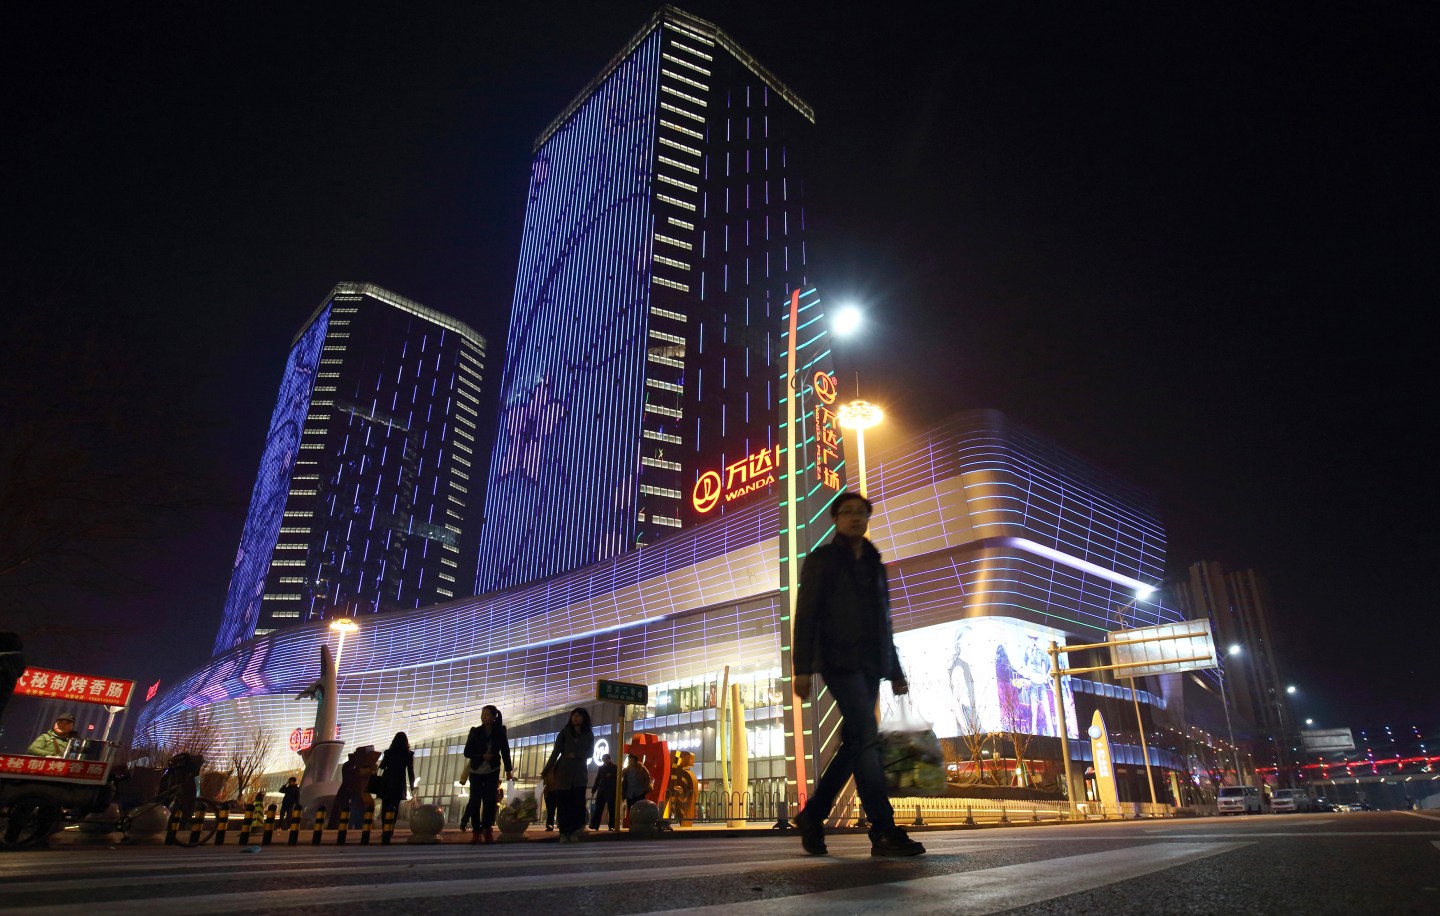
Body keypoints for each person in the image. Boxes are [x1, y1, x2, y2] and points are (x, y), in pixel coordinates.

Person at [792, 491, 926, 857]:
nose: (855, 517)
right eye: (847, 512)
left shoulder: (873, 562)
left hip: (870, 665)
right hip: (837, 660)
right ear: (835, 519)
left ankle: (813, 814)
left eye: (861, 513)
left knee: (857, 741)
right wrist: (801, 669)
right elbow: (806, 615)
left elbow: (884, 621)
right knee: (866, 738)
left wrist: (895, 670)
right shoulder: (822, 560)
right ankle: (883, 829)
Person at [462, 705, 513, 844]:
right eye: (482, 714)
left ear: (494, 717)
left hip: (492, 770)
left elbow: (505, 751)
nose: (484, 717)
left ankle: (487, 829)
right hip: (476, 771)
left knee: (490, 801)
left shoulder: (500, 732)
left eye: (487, 714)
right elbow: (467, 752)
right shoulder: (475, 731)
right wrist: (482, 756)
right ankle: (476, 831)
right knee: (474, 801)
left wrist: (509, 770)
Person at [542, 707, 594, 842]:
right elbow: (555, 752)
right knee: (563, 804)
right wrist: (547, 769)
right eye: (574, 716)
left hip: (579, 775)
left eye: (578, 716)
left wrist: (576, 755)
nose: (575, 718)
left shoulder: (588, 734)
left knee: (577, 804)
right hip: (563, 773)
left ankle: (575, 831)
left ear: (584, 718)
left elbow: (590, 753)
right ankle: (564, 832)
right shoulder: (565, 733)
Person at [329, 745, 380, 828]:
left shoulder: (358, 767)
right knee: (352, 814)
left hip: (357, 795)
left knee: (357, 814)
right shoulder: (352, 767)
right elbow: (353, 776)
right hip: (351, 794)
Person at [374, 732, 417, 827]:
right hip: (399, 781)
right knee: (395, 805)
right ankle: (391, 827)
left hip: (387, 780)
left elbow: (382, 766)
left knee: (385, 804)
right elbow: (410, 771)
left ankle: (384, 827)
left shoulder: (389, 752)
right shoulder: (408, 754)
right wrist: (412, 785)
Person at [589, 753, 618, 831]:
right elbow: (598, 779)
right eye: (604, 760)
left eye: (605, 759)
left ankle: (611, 825)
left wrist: (594, 789)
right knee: (599, 807)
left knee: (611, 808)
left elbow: (599, 779)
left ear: (609, 759)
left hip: (610, 790)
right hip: (603, 790)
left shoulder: (614, 767)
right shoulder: (602, 768)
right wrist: (594, 789)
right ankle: (595, 825)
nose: (604, 761)